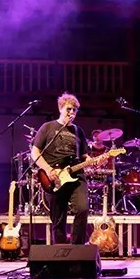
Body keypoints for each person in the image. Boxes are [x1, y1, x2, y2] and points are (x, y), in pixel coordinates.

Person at [30, 92, 91, 245]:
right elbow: (35, 152)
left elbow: (85, 156)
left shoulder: (78, 131)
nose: (72, 113)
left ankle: (77, 248)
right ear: (60, 108)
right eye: (69, 109)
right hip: (53, 177)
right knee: (58, 217)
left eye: (74, 110)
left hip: (76, 175)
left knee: (82, 209)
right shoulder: (47, 127)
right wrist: (48, 169)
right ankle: (61, 250)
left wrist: (94, 161)